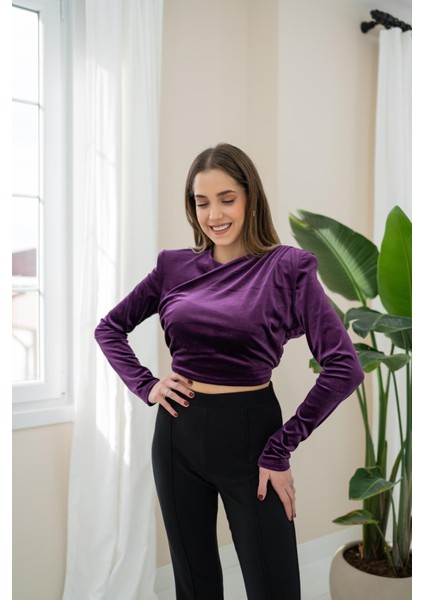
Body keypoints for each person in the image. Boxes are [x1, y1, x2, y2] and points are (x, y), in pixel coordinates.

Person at [94, 143, 364, 600]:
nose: (213, 214)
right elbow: (109, 328)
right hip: (177, 434)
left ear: (250, 198)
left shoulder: (288, 267)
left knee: (275, 588)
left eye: (226, 199)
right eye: (202, 202)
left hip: (252, 437)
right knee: (195, 586)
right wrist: (147, 385)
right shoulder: (173, 266)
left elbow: (344, 367)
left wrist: (280, 448)